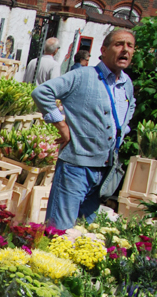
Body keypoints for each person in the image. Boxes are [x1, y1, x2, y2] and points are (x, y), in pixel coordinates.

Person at [32, 29, 136, 230]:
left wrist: (122, 131)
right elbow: (42, 92)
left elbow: (130, 105)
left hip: (105, 168)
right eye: (119, 44)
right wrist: (61, 125)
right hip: (75, 167)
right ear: (103, 51)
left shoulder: (127, 84)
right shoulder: (82, 75)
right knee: (59, 229)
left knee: (84, 231)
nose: (125, 50)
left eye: (130, 46)